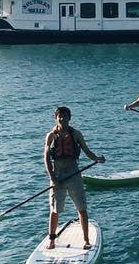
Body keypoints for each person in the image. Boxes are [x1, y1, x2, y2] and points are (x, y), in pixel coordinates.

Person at [43, 107, 105, 249]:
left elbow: (86, 150)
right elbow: (46, 158)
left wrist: (96, 158)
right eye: (59, 117)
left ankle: (86, 240)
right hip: (58, 176)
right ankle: (51, 241)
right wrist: (52, 177)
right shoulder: (51, 136)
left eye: (65, 117)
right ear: (56, 118)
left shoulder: (76, 134)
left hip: (74, 174)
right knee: (54, 210)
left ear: (69, 118)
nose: (62, 119)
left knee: (82, 208)